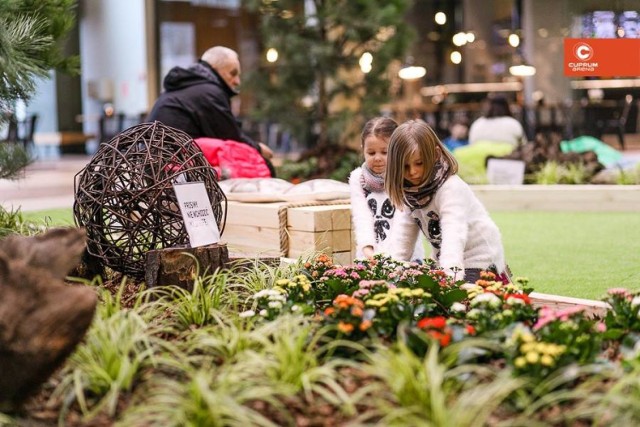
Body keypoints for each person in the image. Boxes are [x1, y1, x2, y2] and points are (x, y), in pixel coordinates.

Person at [385, 119, 507, 283]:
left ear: (435, 155)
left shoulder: (450, 188)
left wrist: (451, 278)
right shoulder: (409, 193)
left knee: (460, 303)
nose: (412, 172)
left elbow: (454, 233)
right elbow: (402, 239)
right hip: (445, 259)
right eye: (405, 167)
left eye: (419, 163)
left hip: (480, 258)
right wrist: (391, 276)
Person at [147, 46, 274, 173]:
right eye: (233, 73)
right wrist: (258, 149)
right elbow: (231, 138)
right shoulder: (209, 92)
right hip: (173, 173)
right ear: (215, 69)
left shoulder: (186, 88)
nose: (237, 81)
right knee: (263, 166)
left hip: (154, 168)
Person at [349, 117, 424, 261]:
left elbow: (403, 219)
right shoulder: (358, 178)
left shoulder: (405, 176)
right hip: (370, 257)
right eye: (371, 153)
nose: (377, 158)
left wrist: (394, 257)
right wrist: (367, 249)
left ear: (397, 151)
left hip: (406, 256)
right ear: (362, 149)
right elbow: (361, 216)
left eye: (384, 152)